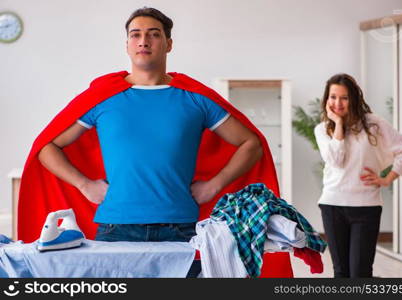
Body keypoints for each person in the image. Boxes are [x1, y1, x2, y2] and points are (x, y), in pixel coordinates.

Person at [33, 7, 265, 277]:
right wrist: (84, 184)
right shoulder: (103, 98)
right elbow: (47, 148)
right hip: (115, 228)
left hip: (180, 228)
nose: (143, 41)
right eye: (136, 35)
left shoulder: (195, 98)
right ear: (127, 45)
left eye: (153, 34)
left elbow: (251, 144)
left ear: (168, 44)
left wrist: (214, 185)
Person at [314, 73, 402, 278]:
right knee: (341, 272)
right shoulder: (322, 129)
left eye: (344, 97)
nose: (338, 103)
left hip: (366, 207)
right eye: (333, 97)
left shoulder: (373, 124)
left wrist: (387, 178)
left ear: (353, 98)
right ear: (327, 100)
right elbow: (336, 160)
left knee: (360, 273)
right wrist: (338, 124)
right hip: (333, 205)